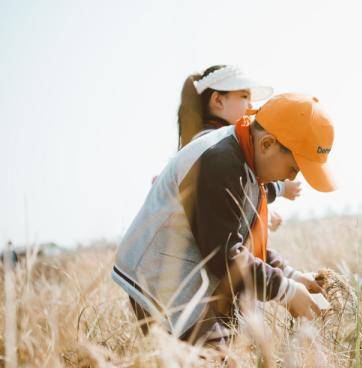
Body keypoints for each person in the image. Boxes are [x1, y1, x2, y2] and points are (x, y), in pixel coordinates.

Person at [112, 93, 336, 345]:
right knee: (215, 358)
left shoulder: (247, 159)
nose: (291, 178)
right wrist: (285, 291)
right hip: (160, 278)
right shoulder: (221, 162)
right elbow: (225, 256)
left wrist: (291, 276)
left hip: (194, 272)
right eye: (293, 168)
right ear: (267, 144)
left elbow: (241, 239)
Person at [177, 65, 302, 211]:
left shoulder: (213, 141)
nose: (251, 105)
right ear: (218, 100)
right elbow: (243, 186)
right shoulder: (212, 145)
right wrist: (280, 188)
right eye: (244, 96)